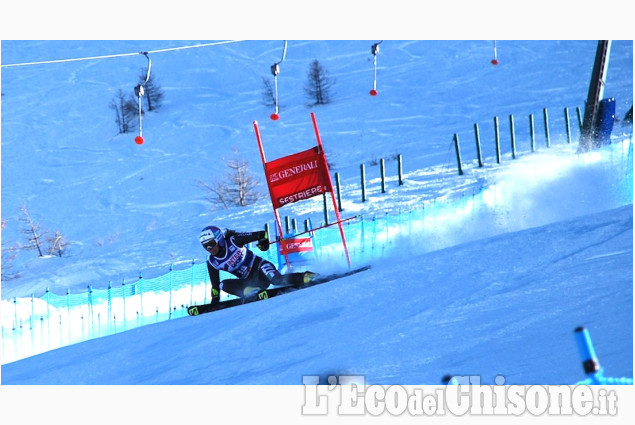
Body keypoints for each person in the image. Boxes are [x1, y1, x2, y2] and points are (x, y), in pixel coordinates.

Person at [199, 225, 317, 303]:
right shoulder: (212, 262)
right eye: (205, 245)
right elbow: (215, 286)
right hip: (250, 282)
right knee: (222, 285)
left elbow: (262, 234)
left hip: (260, 268)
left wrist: (263, 243)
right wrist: (214, 301)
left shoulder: (233, 241)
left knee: (276, 280)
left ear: (219, 239)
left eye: (211, 243)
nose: (209, 248)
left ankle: (306, 276)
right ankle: (250, 292)